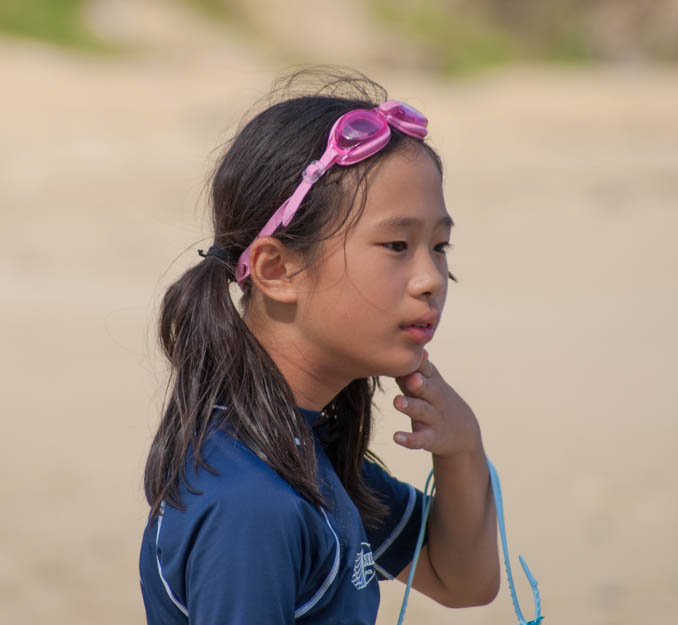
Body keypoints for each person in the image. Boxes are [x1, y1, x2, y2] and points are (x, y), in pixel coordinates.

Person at [139, 68, 500, 624]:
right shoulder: (252, 502)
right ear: (277, 269)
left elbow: (463, 580)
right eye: (397, 244)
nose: (430, 278)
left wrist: (462, 451)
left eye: (440, 246)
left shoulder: (303, 449)